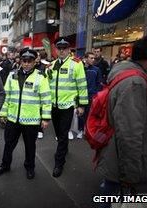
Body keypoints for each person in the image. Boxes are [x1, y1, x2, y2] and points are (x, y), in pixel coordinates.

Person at [96, 36, 147, 208]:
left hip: (119, 161)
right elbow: (129, 134)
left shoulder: (130, 75)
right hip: (126, 168)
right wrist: (130, 176)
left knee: (110, 196)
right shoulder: (135, 83)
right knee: (115, 200)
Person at [0, 48, 52, 179]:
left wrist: (46, 118)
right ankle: (5, 165)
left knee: (30, 146)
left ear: (34, 62)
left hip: (31, 121)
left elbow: (46, 98)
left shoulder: (41, 77)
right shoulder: (12, 75)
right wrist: (3, 114)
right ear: (20, 61)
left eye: (29, 61)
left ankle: (30, 167)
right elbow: (6, 96)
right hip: (13, 119)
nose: (26, 63)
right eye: (24, 61)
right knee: (8, 144)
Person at [48, 37, 88, 177]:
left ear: (69, 49)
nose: (61, 51)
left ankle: (59, 163)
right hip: (54, 106)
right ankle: (63, 149)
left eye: (64, 48)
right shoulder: (51, 65)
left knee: (63, 134)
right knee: (59, 134)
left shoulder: (76, 64)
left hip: (68, 106)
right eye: (59, 48)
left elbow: (82, 86)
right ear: (56, 49)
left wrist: (81, 105)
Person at [77, 52, 102, 139]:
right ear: (85, 58)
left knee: (90, 114)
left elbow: (99, 83)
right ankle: (80, 130)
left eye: (94, 58)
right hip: (81, 95)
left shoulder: (96, 69)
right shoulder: (80, 69)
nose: (93, 60)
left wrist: (97, 95)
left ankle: (88, 131)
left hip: (92, 96)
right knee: (81, 114)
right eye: (91, 58)